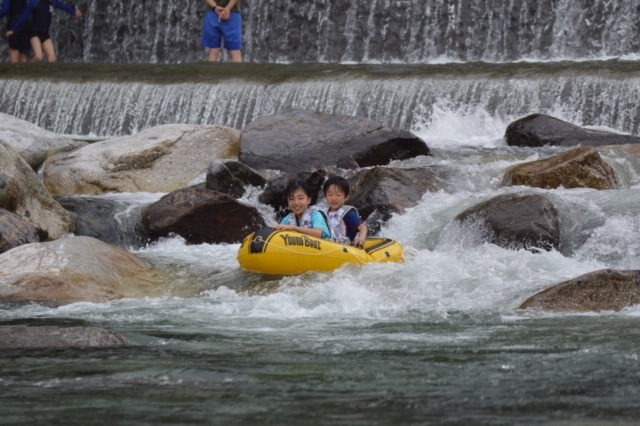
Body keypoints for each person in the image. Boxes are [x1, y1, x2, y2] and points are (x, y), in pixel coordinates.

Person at [7, 0, 82, 63]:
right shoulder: (34, 2)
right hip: (34, 34)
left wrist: (74, 12)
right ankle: (30, 73)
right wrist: (13, 30)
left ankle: (46, 77)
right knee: (39, 57)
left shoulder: (52, 2)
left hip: (45, 35)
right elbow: (24, 17)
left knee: (52, 58)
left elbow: (63, 7)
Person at [323, 176, 368, 248]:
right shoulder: (324, 213)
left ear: (346, 197)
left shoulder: (348, 214)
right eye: (330, 194)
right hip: (329, 245)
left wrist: (361, 238)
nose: (334, 198)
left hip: (345, 248)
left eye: (338, 195)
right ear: (325, 196)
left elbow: (362, 227)